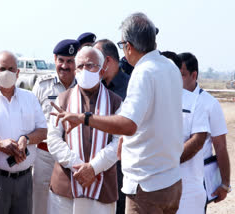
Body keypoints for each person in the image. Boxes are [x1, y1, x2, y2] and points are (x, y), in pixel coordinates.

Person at [51, 12, 184, 214]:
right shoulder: (170, 66)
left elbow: (128, 125)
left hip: (146, 184)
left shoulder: (143, 72)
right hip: (170, 180)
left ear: (128, 47)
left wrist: (84, 118)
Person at [47, 46, 122, 214]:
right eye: (80, 66)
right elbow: (53, 139)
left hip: (102, 185)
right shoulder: (63, 99)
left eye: (90, 65)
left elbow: (119, 141)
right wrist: (78, 166)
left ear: (102, 71)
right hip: (66, 186)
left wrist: (94, 167)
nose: (84, 70)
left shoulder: (116, 102)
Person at [0, 51, 47, 214]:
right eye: (3, 69)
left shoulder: (30, 98)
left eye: (11, 69)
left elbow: (43, 131)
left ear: (18, 73)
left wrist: (26, 139)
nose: (7, 73)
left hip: (24, 181)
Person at [31, 39, 80, 214]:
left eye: (70, 61)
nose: (65, 66)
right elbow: (31, 121)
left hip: (72, 156)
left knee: (69, 204)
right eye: (61, 60)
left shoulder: (84, 87)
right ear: (54, 59)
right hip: (44, 155)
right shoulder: (42, 85)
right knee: (39, 203)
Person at [178, 52, 231, 205]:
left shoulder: (209, 103)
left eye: (181, 75)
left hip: (197, 180)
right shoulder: (168, 99)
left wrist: (225, 184)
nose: (176, 80)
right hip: (168, 179)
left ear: (194, 75)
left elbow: (220, 146)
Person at [162, 51, 210, 213]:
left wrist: (167, 161)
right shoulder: (147, 100)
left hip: (188, 193)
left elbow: (198, 140)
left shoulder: (195, 102)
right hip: (153, 190)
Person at [93, 39, 129, 214]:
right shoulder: (93, 87)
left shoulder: (132, 88)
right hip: (95, 167)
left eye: (96, 61)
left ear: (107, 61)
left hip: (123, 170)